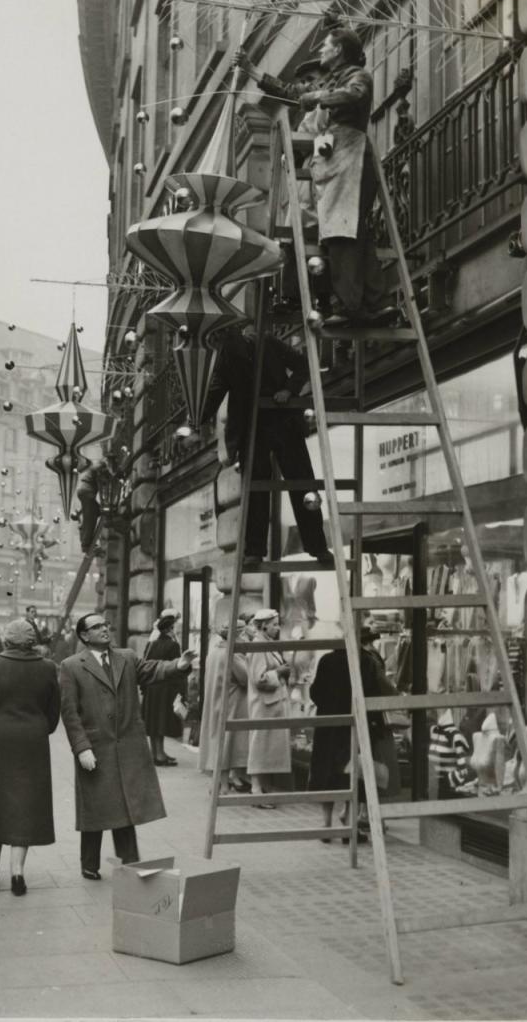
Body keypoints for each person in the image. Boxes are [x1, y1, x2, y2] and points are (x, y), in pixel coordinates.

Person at [236, 27, 390, 325]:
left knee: (342, 232)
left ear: (339, 50)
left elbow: (354, 95)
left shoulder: (357, 75)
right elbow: (293, 93)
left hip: (350, 154)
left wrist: (318, 96)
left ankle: (353, 306)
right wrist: (253, 71)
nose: (321, 51)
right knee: (350, 231)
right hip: (337, 156)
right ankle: (376, 302)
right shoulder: (334, 79)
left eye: (326, 46)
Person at [59, 612, 194, 879]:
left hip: (127, 745)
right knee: (95, 808)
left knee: (124, 805)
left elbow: (153, 670)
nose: (104, 629)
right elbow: (70, 712)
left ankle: (130, 861)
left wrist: (179, 664)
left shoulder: (127, 657)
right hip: (95, 747)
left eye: (106, 624)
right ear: (84, 635)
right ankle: (89, 864)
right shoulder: (72, 665)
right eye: (97, 627)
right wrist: (81, 747)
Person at [202, 327, 334, 569]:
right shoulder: (227, 358)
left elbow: (303, 364)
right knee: (255, 491)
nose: (217, 346)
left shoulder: (267, 342)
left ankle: (318, 546)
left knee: (302, 483)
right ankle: (254, 550)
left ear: (230, 335)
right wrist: (194, 419)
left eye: (217, 339)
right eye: (214, 342)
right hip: (254, 429)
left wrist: (289, 390)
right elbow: (213, 395)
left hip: (283, 421)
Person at [0, 618, 61, 895]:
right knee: (26, 803)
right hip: (32, 742)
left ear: (6, 639)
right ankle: (17, 871)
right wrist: (39, 727)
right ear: (33, 641)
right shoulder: (47, 668)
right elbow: (53, 714)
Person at [308, 630, 398, 843]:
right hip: (356, 725)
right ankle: (350, 824)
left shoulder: (327, 660)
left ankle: (326, 824)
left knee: (327, 774)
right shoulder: (366, 662)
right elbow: (374, 695)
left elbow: (315, 693)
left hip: (329, 726)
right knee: (353, 774)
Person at [197, 618, 251, 794]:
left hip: (216, 703)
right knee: (227, 744)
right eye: (244, 633)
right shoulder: (232, 654)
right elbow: (246, 678)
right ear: (238, 634)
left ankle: (218, 783)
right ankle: (225, 785)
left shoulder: (214, 652)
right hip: (231, 704)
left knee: (217, 741)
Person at [246, 609, 293, 805]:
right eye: (274, 624)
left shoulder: (267, 645)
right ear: (263, 625)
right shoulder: (258, 646)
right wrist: (280, 672)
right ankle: (256, 789)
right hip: (264, 705)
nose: (277, 627)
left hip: (272, 704)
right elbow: (259, 679)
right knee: (260, 746)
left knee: (267, 748)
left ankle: (264, 787)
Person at [140, 610, 186, 766]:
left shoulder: (152, 643)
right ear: (169, 629)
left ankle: (157, 753)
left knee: (154, 723)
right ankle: (159, 756)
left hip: (152, 687)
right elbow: (177, 668)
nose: (177, 630)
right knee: (160, 722)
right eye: (175, 627)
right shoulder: (173, 645)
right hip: (165, 688)